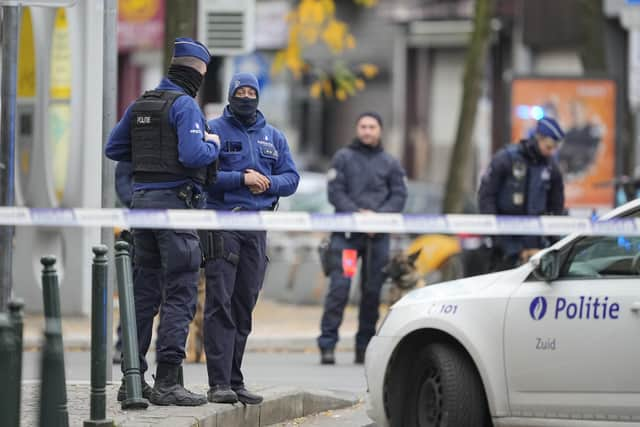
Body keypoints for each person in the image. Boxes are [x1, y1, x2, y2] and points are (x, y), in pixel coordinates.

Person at [105, 37, 219, 406]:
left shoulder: (142, 102)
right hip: (175, 210)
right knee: (181, 293)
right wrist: (213, 143)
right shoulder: (184, 106)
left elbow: (114, 148)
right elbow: (192, 154)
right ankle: (169, 381)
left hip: (142, 209)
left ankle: (132, 382)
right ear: (198, 71)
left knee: (143, 293)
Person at [203, 72, 299, 404]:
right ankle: (218, 383)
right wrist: (241, 179)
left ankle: (235, 379)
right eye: (240, 92)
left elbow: (291, 178)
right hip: (224, 224)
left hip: (257, 228)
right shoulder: (214, 130)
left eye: (250, 92)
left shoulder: (274, 136)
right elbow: (206, 176)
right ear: (231, 95)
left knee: (244, 305)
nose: (245, 97)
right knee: (221, 303)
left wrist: (269, 184)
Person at [317, 112, 408, 365]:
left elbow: (399, 196)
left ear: (380, 130)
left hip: (377, 238)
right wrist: (358, 216)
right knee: (340, 289)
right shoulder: (343, 158)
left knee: (371, 292)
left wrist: (377, 218)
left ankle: (363, 347)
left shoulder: (390, 162)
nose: (367, 131)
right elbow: (335, 193)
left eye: (372, 127)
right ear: (357, 129)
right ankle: (327, 344)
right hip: (347, 237)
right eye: (363, 126)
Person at [478, 117, 565, 270]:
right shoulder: (506, 159)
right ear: (538, 138)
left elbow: (556, 205)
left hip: (537, 249)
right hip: (504, 249)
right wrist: (499, 240)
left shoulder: (551, 167)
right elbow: (486, 197)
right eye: (548, 146)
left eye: (554, 148)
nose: (551, 152)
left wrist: (552, 239)